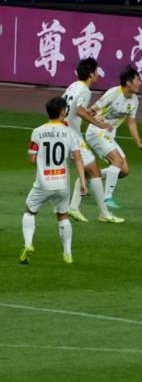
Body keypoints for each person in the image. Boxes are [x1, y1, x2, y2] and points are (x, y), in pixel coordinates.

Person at [20, 97, 87, 265]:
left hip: (43, 183)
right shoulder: (70, 133)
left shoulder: (37, 132)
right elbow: (78, 159)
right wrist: (83, 182)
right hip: (62, 183)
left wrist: (42, 160)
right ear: (63, 112)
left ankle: (28, 244)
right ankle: (68, 254)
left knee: (30, 210)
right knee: (63, 216)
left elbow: (32, 159)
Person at [65, 58, 124, 224]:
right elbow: (79, 111)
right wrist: (100, 124)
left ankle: (74, 207)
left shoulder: (73, 86)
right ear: (91, 74)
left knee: (89, 171)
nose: (98, 74)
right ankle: (103, 213)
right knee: (94, 171)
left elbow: (69, 107)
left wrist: (88, 114)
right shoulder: (85, 90)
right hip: (73, 137)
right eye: (97, 71)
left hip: (64, 133)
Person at [84, 66, 142, 209]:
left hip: (108, 135)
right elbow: (91, 110)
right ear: (128, 82)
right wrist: (97, 119)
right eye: (137, 80)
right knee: (117, 161)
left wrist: (138, 142)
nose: (140, 83)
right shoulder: (113, 93)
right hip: (96, 132)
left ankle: (88, 176)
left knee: (124, 171)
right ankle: (106, 198)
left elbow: (131, 122)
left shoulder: (134, 100)